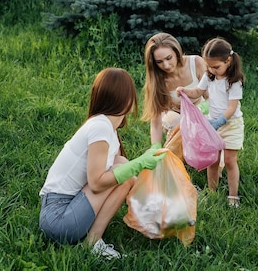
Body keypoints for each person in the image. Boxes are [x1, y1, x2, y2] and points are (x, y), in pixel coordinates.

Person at [39, 68, 166, 260]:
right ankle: (92, 242)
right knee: (124, 174)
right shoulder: (100, 127)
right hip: (59, 219)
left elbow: (119, 169)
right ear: (124, 98)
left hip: (61, 212)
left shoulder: (107, 126)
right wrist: (139, 163)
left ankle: (93, 239)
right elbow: (97, 183)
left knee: (121, 164)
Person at [177, 37, 245, 207]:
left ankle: (233, 195)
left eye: (216, 67)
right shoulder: (210, 76)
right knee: (212, 159)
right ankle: (212, 191)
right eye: (209, 66)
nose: (212, 70)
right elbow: (198, 92)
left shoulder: (234, 81)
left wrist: (219, 121)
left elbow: (231, 107)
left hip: (231, 125)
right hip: (212, 124)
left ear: (228, 60)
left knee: (229, 160)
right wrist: (184, 90)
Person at [142, 32, 208, 146]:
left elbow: (210, 98)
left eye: (169, 58)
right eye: (159, 62)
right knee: (178, 125)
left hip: (200, 108)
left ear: (176, 52)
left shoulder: (196, 63)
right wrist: (155, 149)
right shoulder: (156, 79)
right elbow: (155, 123)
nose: (166, 65)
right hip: (174, 114)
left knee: (205, 130)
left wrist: (203, 114)